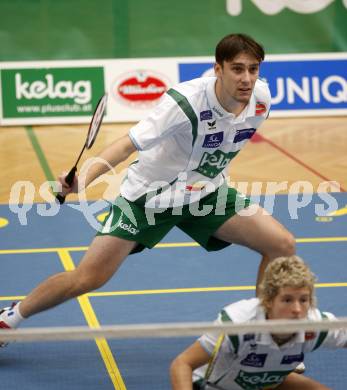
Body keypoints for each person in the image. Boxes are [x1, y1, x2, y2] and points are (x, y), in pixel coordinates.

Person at [0, 34, 295, 340]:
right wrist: (83, 179)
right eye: (237, 69)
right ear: (218, 69)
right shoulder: (184, 103)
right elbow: (127, 145)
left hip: (206, 193)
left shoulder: (261, 100)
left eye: (253, 69)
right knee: (88, 277)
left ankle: (265, 337)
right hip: (149, 199)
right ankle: (11, 316)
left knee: (281, 245)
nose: (246, 78)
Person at [170, 255, 347, 390]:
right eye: (287, 300)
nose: (297, 310)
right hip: (212, 385)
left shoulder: (315, 325)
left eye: (304, 300)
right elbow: (182, 364)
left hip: (263, 381)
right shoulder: (238, 324)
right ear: (268, 301)